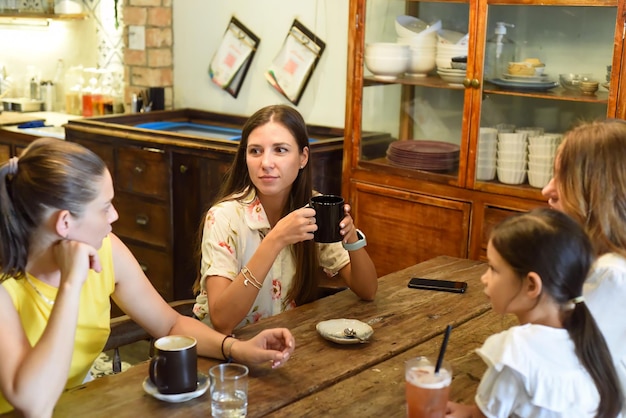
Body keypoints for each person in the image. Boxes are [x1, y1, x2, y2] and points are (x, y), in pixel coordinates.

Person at [0, 138, 295, 417]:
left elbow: (170, 324)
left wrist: (238, 349)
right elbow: (34, 404)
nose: (114, 216)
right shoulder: (6, 287)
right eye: (104, 208)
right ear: (65, 222)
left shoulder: (105, 250)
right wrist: (70, 283)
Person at [192, 104, 377, 334]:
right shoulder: (224, 218)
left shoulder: (314, 209)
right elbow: (222, 320)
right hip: (225, 354)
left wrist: (352, 239)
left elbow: (368, 290)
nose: (266, 163)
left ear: (303, 157)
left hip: (286, 345)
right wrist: (275, 239)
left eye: (280, 150)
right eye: (255, 151)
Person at [446, 208, 622, 418]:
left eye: (493, 268)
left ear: (531, 285)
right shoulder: (591, 344)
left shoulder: (516, 352)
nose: (484, 278)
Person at [541, 119, 626, 415]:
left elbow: (556, 365)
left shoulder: (612, 276)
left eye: (561, 178)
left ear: (597, 190)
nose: (545, 190)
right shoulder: (603, 263)